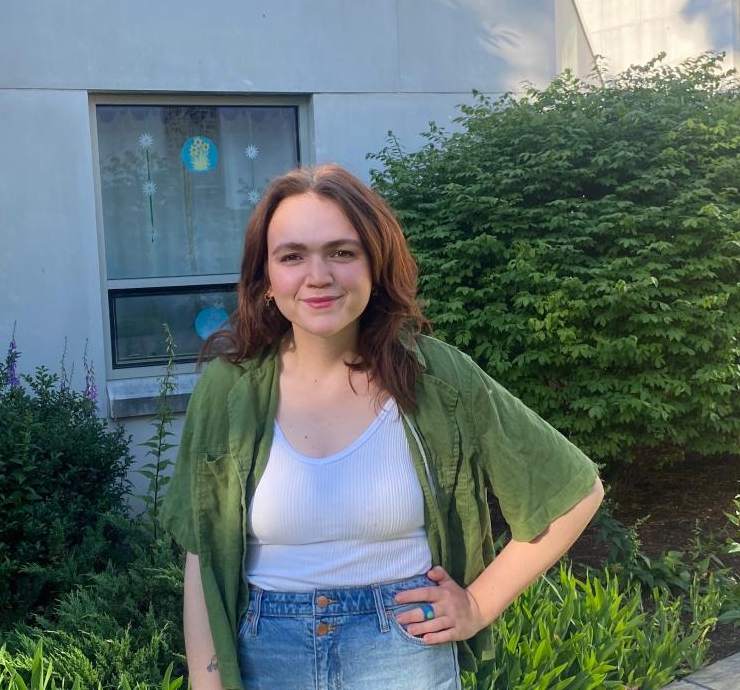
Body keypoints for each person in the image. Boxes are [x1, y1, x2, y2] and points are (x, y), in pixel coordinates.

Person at [162, 164, 605, 690]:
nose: (318, 275)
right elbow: (202, 553)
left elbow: (574, 491)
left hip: (403, 653)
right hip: (266, 658)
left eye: (342, 252)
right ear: (266, 280)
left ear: (375, 265)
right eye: (292, 256)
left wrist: (479, 604)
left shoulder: (435, 376)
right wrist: (206, 683)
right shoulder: (228, 389)